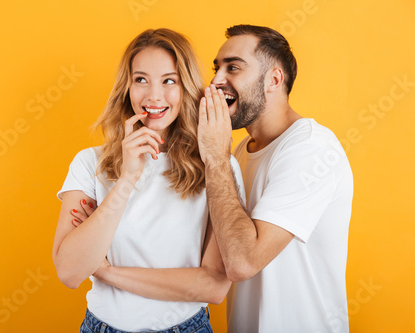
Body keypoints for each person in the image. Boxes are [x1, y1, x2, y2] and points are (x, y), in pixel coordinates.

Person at [52, 28, 245, 333]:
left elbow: (212, 286)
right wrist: (127, 179)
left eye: (169, 80)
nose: (154, 96)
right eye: (141, 79)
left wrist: (107, 272)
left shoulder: (217, 167)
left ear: (187, 88)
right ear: (126, 87)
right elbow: (70, 272)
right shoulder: (90, 163)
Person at [197, 24, 354, 332]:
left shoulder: (311, 148)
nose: (215, 81)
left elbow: (242, 262)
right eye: (216, 69)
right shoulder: (237, 153)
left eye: (233, 68)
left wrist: (215, 157)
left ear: (274, 79)